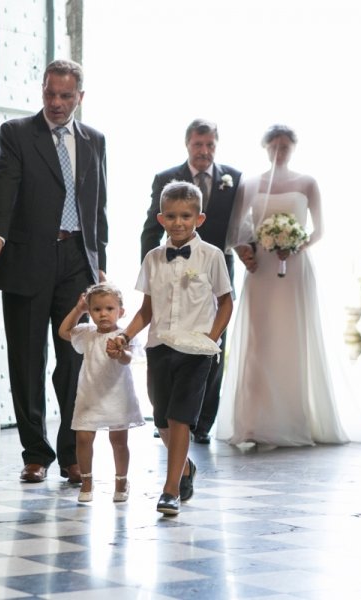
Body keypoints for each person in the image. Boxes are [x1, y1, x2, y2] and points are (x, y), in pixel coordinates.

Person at [0, 59, 108, 485]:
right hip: (28, 258)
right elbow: (4, 185)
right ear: (42, 91)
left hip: (75, 264)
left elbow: (97, 205)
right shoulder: (16, 134)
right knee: (28, 361)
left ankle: (71, 453)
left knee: (72, 362)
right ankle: (35, 454)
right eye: (50, 93)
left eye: (66, 96)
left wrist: (98, 261)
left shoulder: (95, 140)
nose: (57, 103)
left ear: (80, 97)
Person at [215, 125, 361, 447]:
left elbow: (320, 230)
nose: (279, 150)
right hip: (260, 270)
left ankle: (294, 418)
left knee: (294, 338)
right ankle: (253, 422)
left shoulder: (307, 183)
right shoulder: (251, 183)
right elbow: (236, 231)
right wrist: (247, 249)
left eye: (285, 146)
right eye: (274, 145)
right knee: (260, 341)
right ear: (265, 148)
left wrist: (297, 243)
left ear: (293, 148)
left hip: (296, 270)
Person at [112, 180, 233, 515]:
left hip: (196, 350)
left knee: (181, 418)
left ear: (199, 218)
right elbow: (146, 310)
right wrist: (125, 335)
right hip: (159, 345)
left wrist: (211, 338)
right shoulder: (152, 258)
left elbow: (226, 303)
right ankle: (186, 467)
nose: (178, 222)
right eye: (171, 216)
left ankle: (171, 490)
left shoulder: (211, 257)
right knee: (163, 419)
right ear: (161, 218)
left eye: (185, 216)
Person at [140, 119, 242, 444]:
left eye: (210, 144)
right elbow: (149, 227)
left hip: (215, 263)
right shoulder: (166, 178)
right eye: (199, 144)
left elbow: (241, 224)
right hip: (172, 264)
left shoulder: (233, 178)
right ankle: (171, 420)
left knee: (211, 349)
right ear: (188, 144)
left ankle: (201, 423)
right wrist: (153, 263)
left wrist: (247, 250)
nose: (204, 151)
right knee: (170, 349)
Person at [58, 283, 145, 504]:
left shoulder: (124, 335)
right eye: (96, 309)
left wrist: (120, 352)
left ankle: (121, 481)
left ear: (120, 311)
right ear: (90, 311)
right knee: (84, 438)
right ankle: (87, 482)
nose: (103, 314)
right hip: (90, 395)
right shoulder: (86, 332)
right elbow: (63, 332)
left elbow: (128, 359)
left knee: (118, 440)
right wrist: (78, 310)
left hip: (117, 396)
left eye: (109, 308)